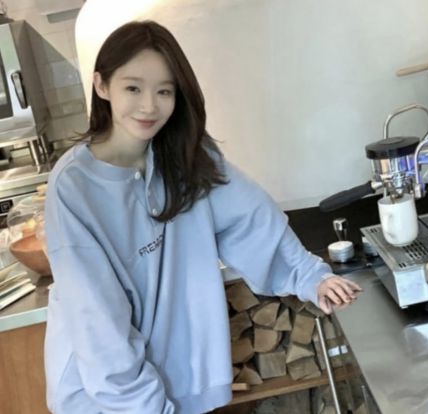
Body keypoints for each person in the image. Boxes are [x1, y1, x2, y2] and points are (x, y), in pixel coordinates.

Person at [44, 20, 362, 414]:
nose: (149, 106)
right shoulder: (73, 187)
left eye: (164, 91)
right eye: (133, 88)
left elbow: (251, 218)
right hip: (104, 399)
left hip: (175, 380)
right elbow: (96, 320)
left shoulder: (188, 155)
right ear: (102, 85)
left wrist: (310, 276)